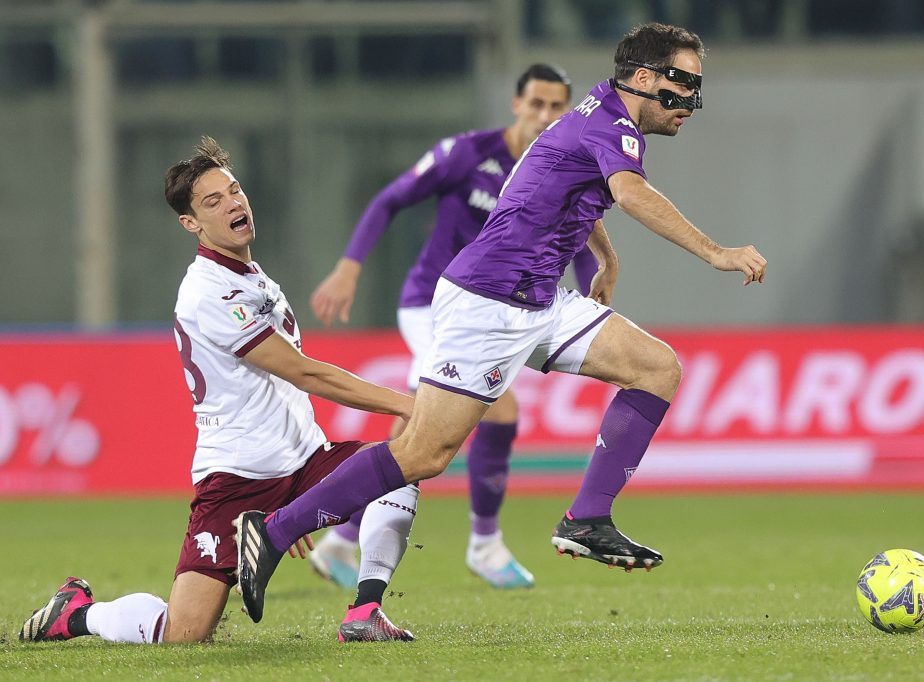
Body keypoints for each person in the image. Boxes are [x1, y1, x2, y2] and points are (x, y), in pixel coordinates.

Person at [234, 22, 767, 623]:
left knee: (657, 368)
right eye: (684, 84)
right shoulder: (612, 125)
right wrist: (717, 252)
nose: (691, 101)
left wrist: (607, 257)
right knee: (424, 453)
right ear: (644, 78)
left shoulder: (600, 117)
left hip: (540, 298)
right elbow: (632, 193)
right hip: (488, 300)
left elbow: (569, 181)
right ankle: (276, 530)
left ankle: (587, 518)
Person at [20, 137, 420, 645]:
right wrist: (408, 402)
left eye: (234, 190)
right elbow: (304, 373)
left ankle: (364, 610)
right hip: (239, 476)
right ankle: (77, 613)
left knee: (402, 468)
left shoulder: (253, 275)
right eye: (213, 201)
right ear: (191, 224)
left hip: (303, 458)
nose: (234, 203)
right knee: (185, 633)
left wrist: (296, 508)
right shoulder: (209, 292)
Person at [307, 63, 594, 593]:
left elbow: (578, 240)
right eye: (536, 104)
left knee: (421, 421)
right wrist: (350, 266)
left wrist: (593, 292)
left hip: (497, 311)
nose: (545, 116)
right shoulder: (468, 154)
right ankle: (484, 545)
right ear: (516, 104)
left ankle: (341, 537)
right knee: (492, 409)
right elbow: (391, 198)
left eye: (557, 108)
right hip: (433, 304)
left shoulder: (559, 169)